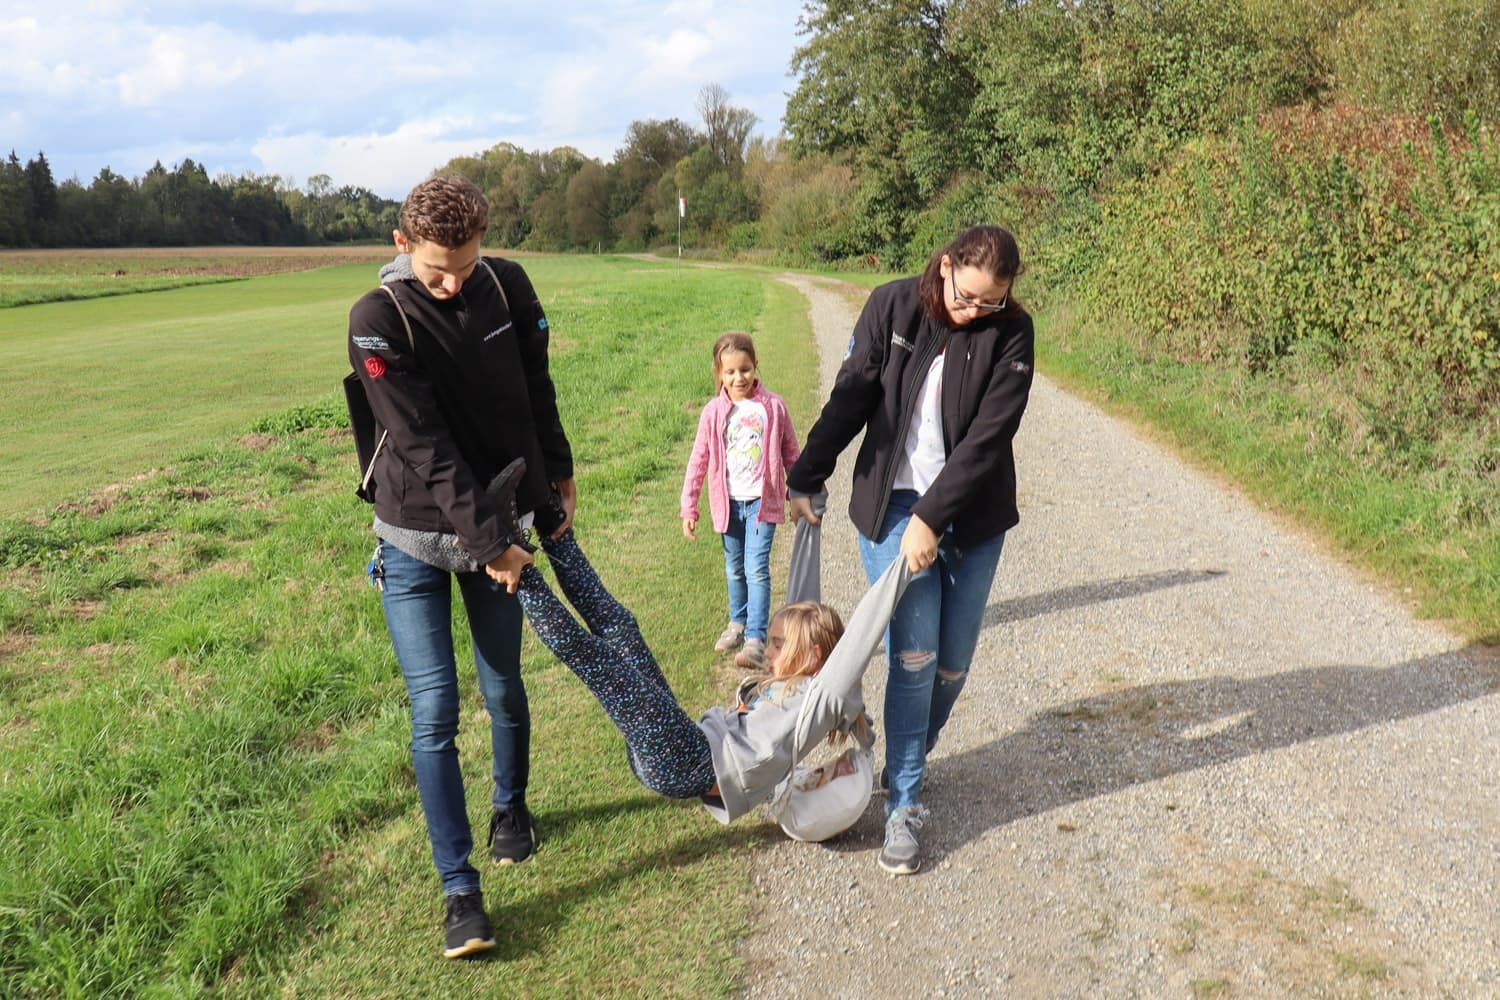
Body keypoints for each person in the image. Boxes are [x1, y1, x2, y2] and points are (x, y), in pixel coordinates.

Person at [346, 175, 575, 959]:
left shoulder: (506, 286)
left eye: (467, 264)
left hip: (501, 522)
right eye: (438, 269)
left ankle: (512, 808)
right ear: (401, 245)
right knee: (435, 710)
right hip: (414, 535)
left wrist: (557, 473)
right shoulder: (377, 320)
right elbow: (423, 446)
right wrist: (492, 545)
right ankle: (459, 891)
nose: (453, 284)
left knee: (502, 683)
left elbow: (535, 386)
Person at [786, 224, 1035, 876]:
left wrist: (934, 516)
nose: (976, 311)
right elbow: (850, 397)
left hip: (971, 518)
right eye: (967, 296)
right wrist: (807, 475)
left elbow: (988, 438)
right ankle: (903, 802)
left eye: (991, 301)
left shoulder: (1013, 332)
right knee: (916, 656)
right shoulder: (892, 306)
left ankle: (908, 755)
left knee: (952, 666)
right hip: (892, 510)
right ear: (945, 265)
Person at [493, 462, 910, 829]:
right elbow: (805, 597)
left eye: (779, 645)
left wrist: (906, 560)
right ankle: (551, 524)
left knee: (597, 660)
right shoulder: (801, 673)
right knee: (620, 629)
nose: (768, 652)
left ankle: (515, 563)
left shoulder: (825, 695)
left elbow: (864, 628)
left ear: (815, 656)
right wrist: (812, 514)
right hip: (684, 741)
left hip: (687, 762)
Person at [680, 332, 801, 669]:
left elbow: (791, 452)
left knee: (756, 569)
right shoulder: (712, 413)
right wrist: (689, 506)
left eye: (745, 369)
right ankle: (737, 623)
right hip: (728, 505)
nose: (739, 378)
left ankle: (756, 639)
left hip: (762, 504)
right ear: (719, 373)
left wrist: (799, 492)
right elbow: (698, 460)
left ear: (755, 365)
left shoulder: (773, 407)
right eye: (730, 372)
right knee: (734, 568)